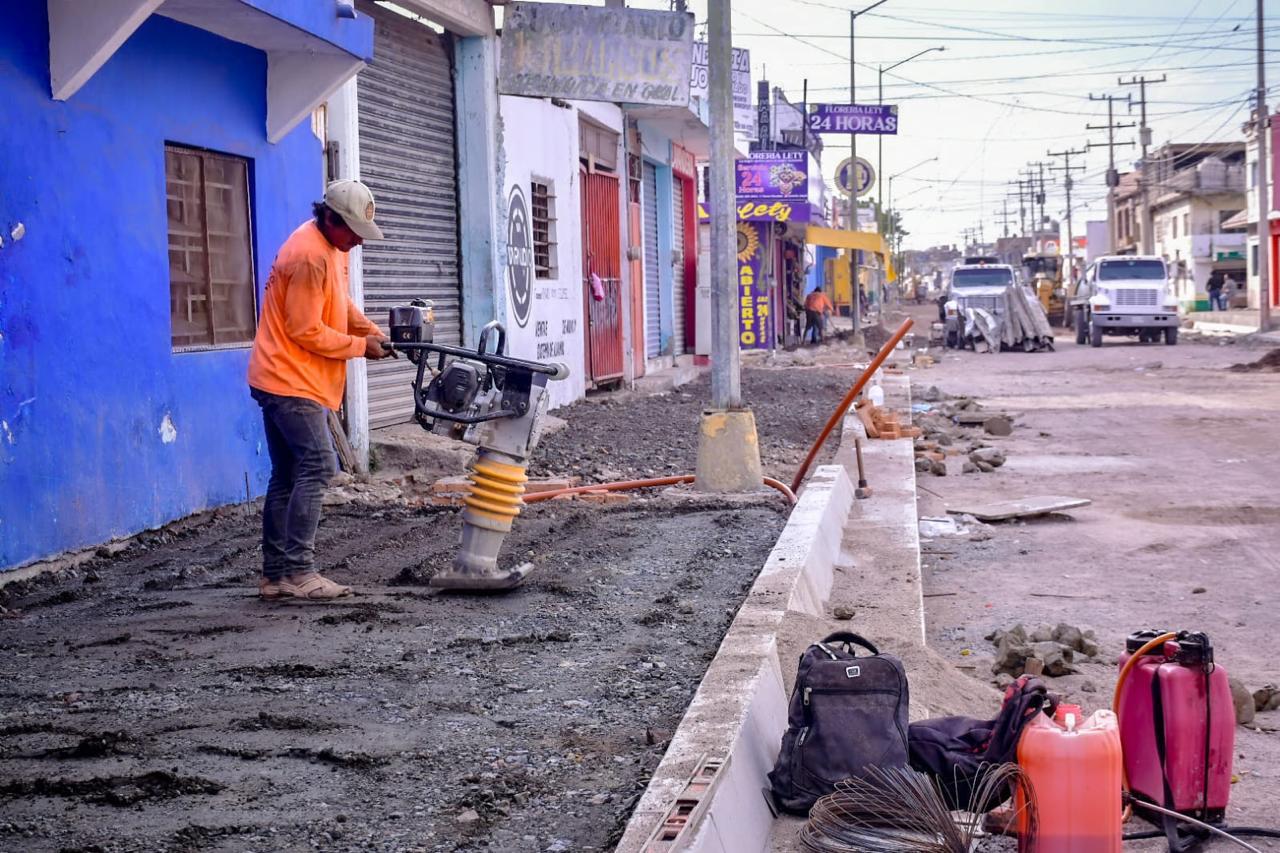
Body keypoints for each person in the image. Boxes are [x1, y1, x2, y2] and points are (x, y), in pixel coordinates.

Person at [247, 180, 392, 602]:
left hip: (280, 376)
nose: (357, 243)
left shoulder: (329, 247)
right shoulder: (309, 255)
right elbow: (304, 329)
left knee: (288, 475)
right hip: (289, 381)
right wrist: (360, 347)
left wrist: (372, 332)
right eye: (353, 233)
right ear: (330, 218)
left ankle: (276, 577)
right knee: (318, 465)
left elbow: (340, 304)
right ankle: (299, 571)